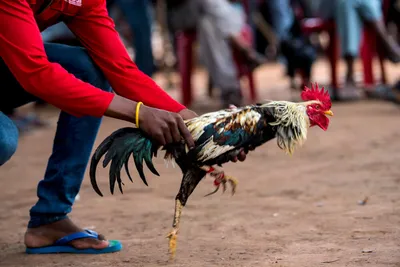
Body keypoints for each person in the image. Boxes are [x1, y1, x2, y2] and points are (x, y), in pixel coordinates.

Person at [0, 0, 248, 254]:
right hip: (22, 67)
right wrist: (138, 113)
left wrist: (197, 126)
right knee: (2, 140)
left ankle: (50, 218)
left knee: (90, 69)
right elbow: (36, 72)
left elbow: (120, 68)